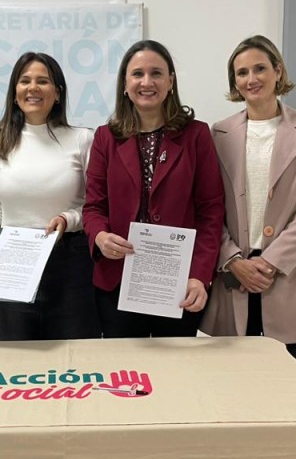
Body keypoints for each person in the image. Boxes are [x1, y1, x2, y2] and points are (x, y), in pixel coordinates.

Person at [201, 35, 296, 358]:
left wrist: (270, 262)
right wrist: (232, 259)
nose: (251, 79)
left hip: (287, 272)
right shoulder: (219, 133)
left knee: (282, 373)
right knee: (232, 373)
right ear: (234, 82)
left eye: (260, 68)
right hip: (234, 275)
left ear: (278, 71)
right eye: (242, 72)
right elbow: (207, 206)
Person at [83, 40, 225, 337]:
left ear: (170, 81)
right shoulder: (105, 138)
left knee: (174, 365)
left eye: (156, 73)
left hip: (178, 282)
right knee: (124, 364)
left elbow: (211, 212)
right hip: (118, 278)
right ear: (125, 84)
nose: (146, 82)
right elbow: (94, 206)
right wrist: (100, 237)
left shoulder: (196, 135)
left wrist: (200, 276)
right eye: (137, 74)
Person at [0, 52, 100, 341]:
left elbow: (95, 206)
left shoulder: (82, 139)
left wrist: (68, 219)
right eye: (25, 80)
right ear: (14, 92)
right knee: (18, 355)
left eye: (43, 81)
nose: (33, 88)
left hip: (70, 262)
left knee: (75, 356)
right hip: (12, 262)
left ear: (58, 92)